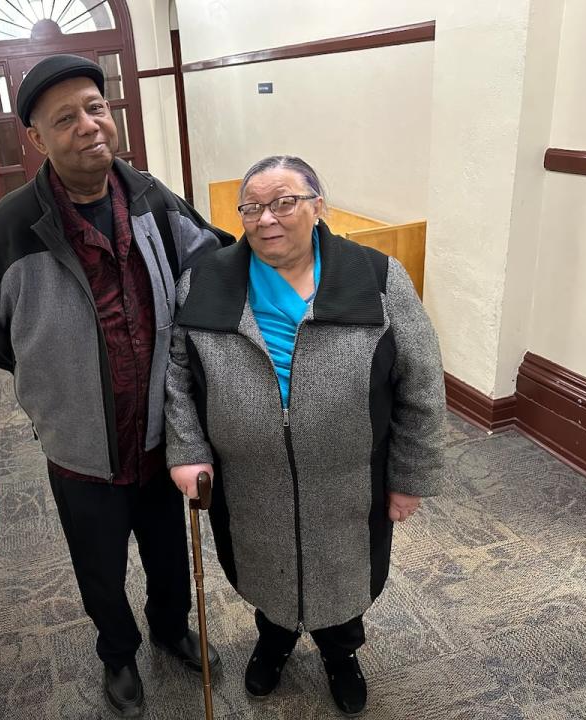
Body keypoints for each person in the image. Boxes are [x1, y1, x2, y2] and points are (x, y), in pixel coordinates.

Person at [0, 55, 231, 718]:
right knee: (100, 569)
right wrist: (55, 384)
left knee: (169, 555)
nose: (88, 125)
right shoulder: (4, 234)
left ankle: (169, 629)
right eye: (65, 118)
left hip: (163, 435)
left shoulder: (154, 199)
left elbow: (218, 267)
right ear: (37, 139)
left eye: (96, 107)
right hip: (81, 451)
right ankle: (118, 654)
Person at [165, 155, 445, 716]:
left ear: (319, 206)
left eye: (285, 202)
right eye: (253, 207)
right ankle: (274, 643)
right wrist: (188, 451)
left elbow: (422, 382)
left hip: (349, 480)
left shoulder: (377, 277)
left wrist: (410, 477)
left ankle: (341, 655)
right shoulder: (205, 281)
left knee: (344, 580)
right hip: (251, 481)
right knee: (264, 570)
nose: (268, 218)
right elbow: (177, 375)